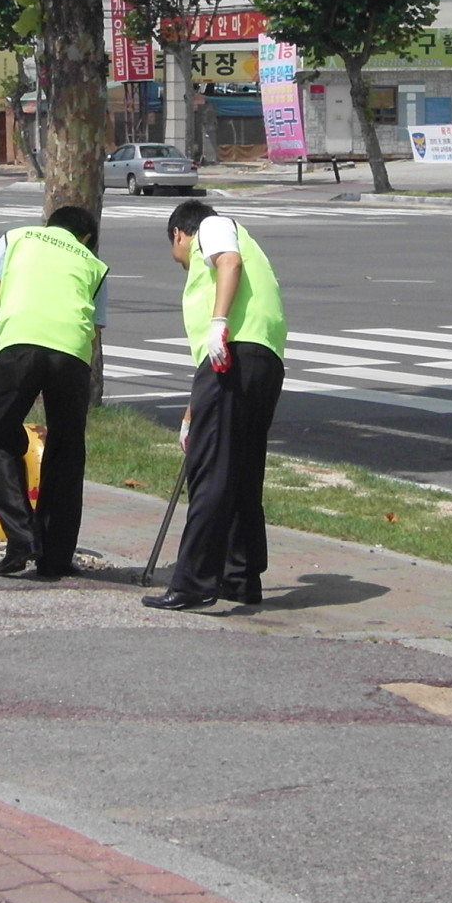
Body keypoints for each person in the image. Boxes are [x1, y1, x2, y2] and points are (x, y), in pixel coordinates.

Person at [145, 201, 287, 612]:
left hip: (235, 353)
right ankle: (239, 577)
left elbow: (228, 262)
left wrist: (218, 322)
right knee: (242, 472)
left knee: (210, 474)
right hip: (260, 360)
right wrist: (192, 415)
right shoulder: (248, 243)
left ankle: (192, 581)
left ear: (179, 234)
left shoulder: (213, 226)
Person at [0, 204, 107, 581]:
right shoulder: (94, 264)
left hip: (20, 347)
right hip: (71, 354)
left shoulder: (17, 237)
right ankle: (55, 557)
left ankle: (21, 535)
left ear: (50, 224)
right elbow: (93, 329)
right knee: (67, 450)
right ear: (86, 236)